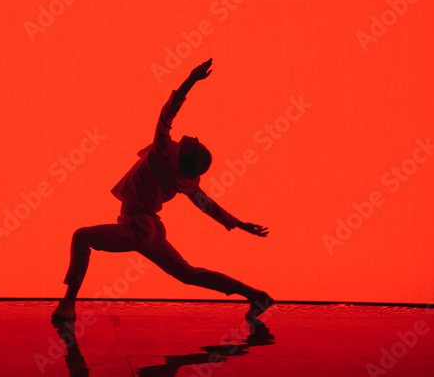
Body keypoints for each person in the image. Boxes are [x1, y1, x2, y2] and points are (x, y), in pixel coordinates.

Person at [52, 58, 273, 323]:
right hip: (152, 229)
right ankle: (255, 296)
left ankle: (67, 305)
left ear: (185, 154)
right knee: (188, 273)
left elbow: (166, 114)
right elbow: (208, 205)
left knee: (81, 237)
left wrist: (190, 81)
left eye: (196, 143)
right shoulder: (185, 180)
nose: (195, 137)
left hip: (138, 228)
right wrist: (239, 224)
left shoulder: (163, 153)